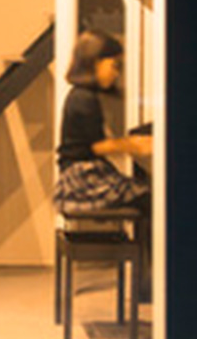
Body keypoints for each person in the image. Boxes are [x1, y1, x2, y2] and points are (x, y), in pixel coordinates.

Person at [52, 30, 152, 214]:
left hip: (78, 175)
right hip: (83, 178)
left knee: (145, 194)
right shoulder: (83, 98)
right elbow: (96, 146)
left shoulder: (80, 95)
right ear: (95, 63)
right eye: (114, 65)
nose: (116, 73)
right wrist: (134, 144)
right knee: (150, 197)